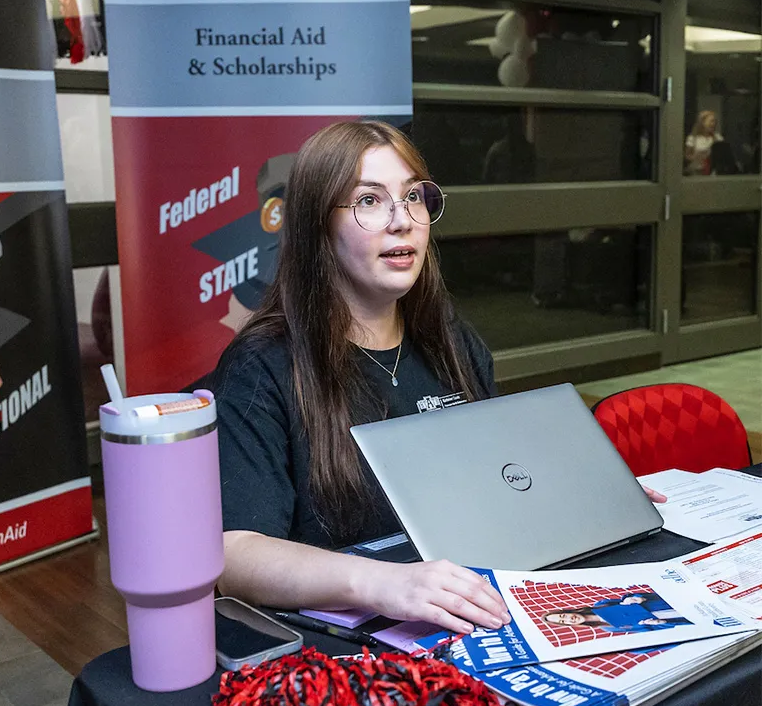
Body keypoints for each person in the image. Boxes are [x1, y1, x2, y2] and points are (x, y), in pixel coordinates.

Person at [213, 120, 665, 635]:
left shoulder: (448, 337)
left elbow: (499, 476)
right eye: (368, 201)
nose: (402, 221)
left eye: (413, 198)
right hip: (354, 638)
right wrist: (384, 583)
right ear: (317, 225)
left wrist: (578, 495)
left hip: (467, 608)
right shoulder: (262, 365)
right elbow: (235, 555)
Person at [542, 592, 692, 633]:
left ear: (568, 611)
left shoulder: (601, 605)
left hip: (661, 604)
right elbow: (646, 630)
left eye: (563, 615)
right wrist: (659, 624)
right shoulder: (608, 627)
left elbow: (630, 596)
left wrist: (634, 598)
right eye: (563, 621)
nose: (568, 619)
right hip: (670, 618)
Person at [684, 110, 722, 176]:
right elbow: (686, 156)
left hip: (713, 173)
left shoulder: (718, 138)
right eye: (711, 121)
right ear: (702, 122)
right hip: (695, 172)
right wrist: (696, 157)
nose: (713, 124)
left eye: (715, 121)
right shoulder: (693, 138)